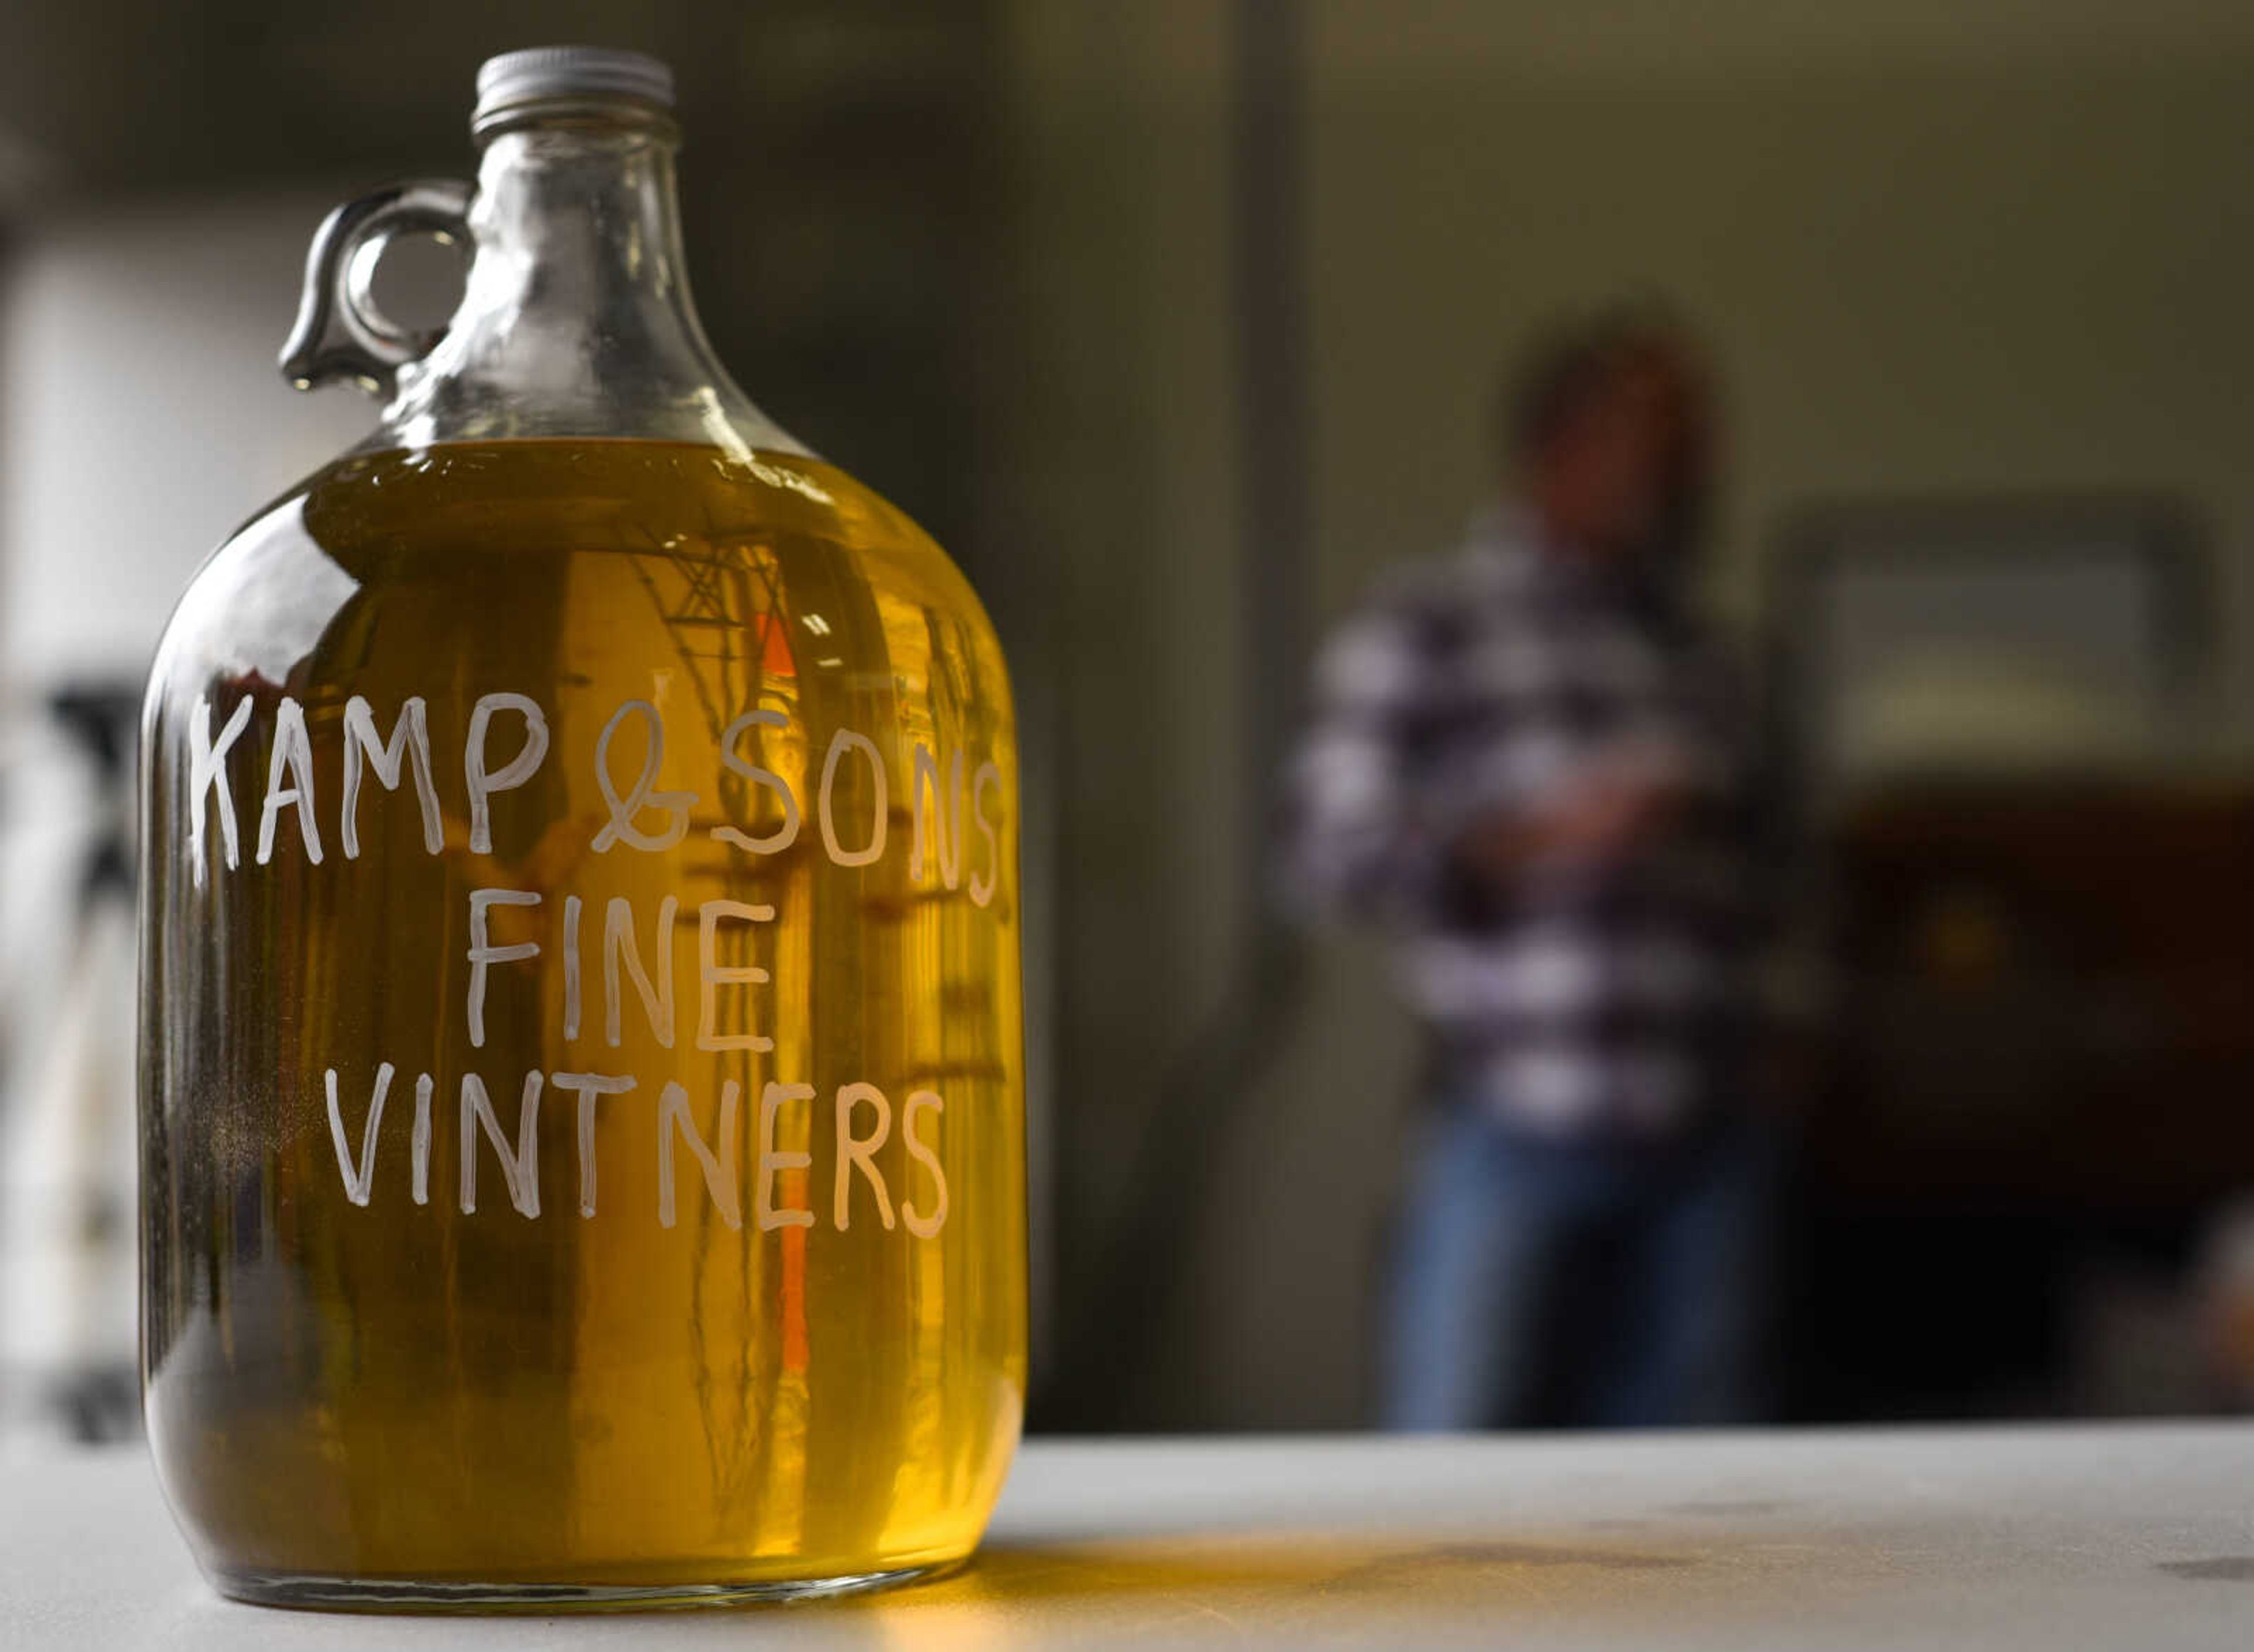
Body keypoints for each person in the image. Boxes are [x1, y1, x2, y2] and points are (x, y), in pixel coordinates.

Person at [1287, 308, 1778, 1430]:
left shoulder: (1714, 658)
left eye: (1697, 442)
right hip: (1508, 1124)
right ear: (1561, 444)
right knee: (1461, 1475)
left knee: (1716, 1509)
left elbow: (1782, 880)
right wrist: (1550, 833)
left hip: (1709, 1142)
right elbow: (1325, 850)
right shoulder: (1429, 626)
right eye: (1657, 437)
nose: (1689, 470)